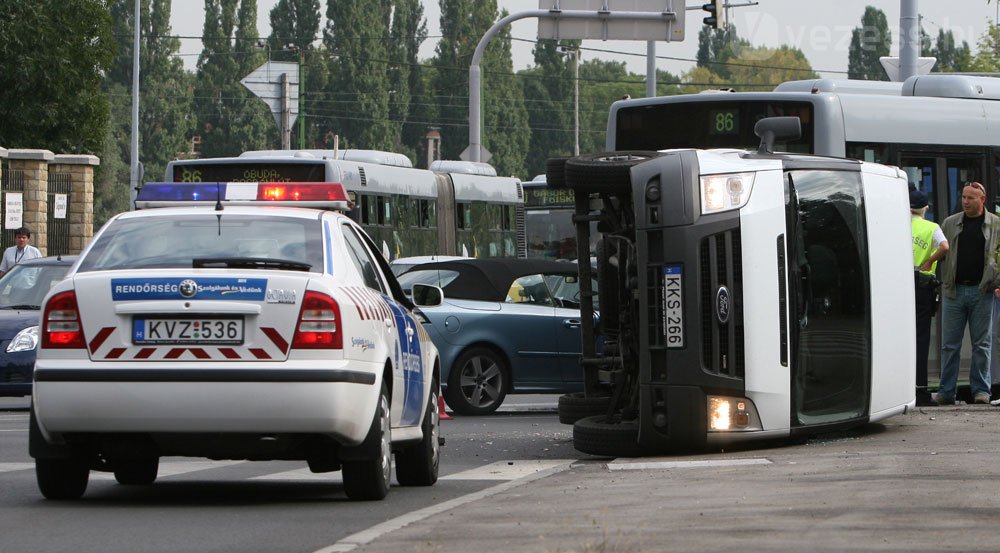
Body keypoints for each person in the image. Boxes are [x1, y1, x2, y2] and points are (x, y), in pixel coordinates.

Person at [937, 182, 998, 405]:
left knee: (981, 345)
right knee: (949, 345)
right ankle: (945, 392)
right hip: (954, 291)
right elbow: (939, 251)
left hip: (983, 291)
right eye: (963, 197)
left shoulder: (996, 225)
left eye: (971, 198)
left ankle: (981, 391)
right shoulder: (950, 223)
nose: (965, 201)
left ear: (983, 199)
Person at [909, 188, 949, 406]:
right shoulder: (931, 227)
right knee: (921, 337)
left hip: (898, 282)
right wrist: (929, 261)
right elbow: (945, 247)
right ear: (925, 208)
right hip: (922, 285)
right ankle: (921, 390)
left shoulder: (897, 224)